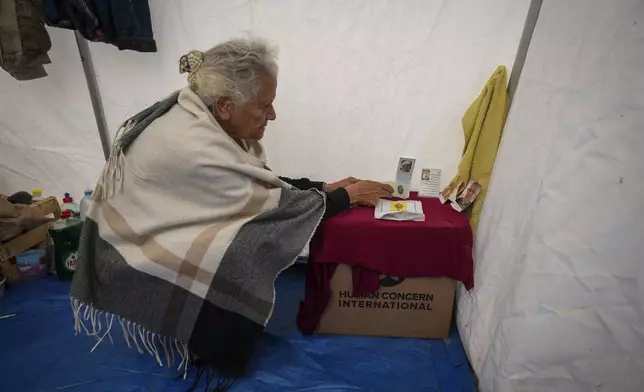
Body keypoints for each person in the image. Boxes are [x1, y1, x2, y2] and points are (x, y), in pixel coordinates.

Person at [70, 37, 393, 382]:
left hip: (156, 224)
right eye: (265, 104)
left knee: (249, 232)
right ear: (225, 105)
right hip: (137, 247)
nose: (273, 114)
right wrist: (345, 197)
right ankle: (208, 345)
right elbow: (266, 203)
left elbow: (254, 184)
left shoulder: (198, 113)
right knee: (244, 245)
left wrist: (322, 189)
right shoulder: (191, 141)